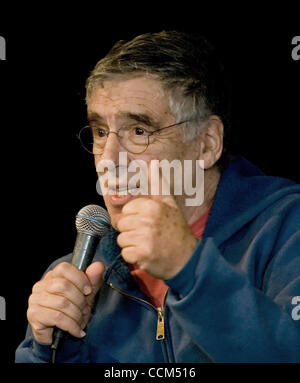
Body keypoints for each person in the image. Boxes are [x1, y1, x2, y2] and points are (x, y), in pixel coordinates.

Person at [15, 31, 300, 363]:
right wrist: (50, 352)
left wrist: (189, 269)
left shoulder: (287, 230)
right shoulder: (75, 276)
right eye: (101, 132)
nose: (108, 159)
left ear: (206, 144)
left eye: (139, 131)